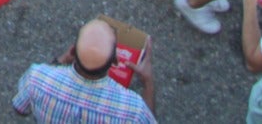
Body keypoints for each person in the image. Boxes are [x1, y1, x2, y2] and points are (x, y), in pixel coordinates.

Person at [11, 16, 156, 123]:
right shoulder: (133, 110)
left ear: (73, 51)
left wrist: (60, 61)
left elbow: (20, 108)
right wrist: (148, 82)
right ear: (115, 60)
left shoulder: (36, 78)